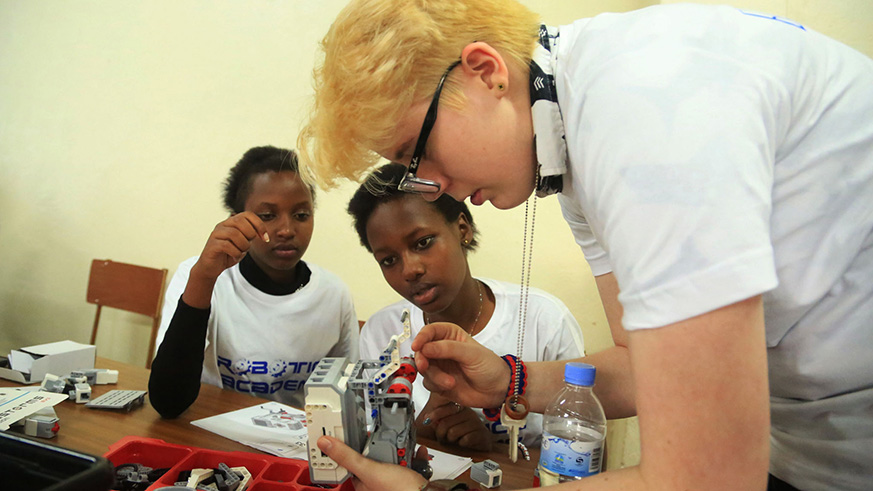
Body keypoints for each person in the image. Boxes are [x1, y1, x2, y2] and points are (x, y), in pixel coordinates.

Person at [296, 1, 873, 490]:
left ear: (484, 70)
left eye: (415, 152)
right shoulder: (570, 142)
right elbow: (637, 367)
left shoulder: (642, 109)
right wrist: (510, 380)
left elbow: (708, 478)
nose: (432, 183)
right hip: (809, 452)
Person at [350, 163, 584, 451]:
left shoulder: (543, 320)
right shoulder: (382, 333)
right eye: (388, 260)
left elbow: (583, 453)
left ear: (463, 229)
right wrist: (431, 421)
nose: (409, 270)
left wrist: (490, 448)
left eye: (423, 243)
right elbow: (376, 443)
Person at [149, 146, 359, 418]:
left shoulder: (334, 294)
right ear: (236, 219)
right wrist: (203, 278)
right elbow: (168, 402)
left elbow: (349, 398)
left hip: (294, 447)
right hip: (212, 434)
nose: (286, 230)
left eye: (301, 215)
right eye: (267, 216)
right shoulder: (201, 275)